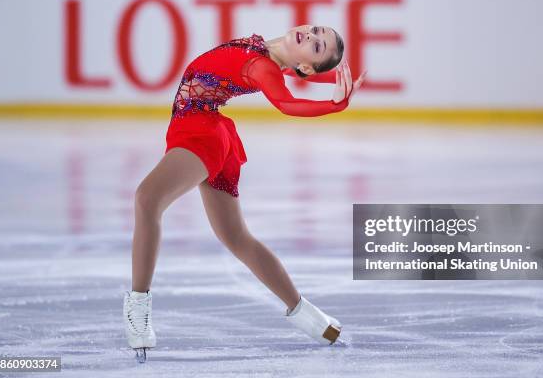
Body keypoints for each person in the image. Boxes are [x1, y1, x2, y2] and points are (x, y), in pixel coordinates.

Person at [123, 25, 366, 361]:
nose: (310, 37)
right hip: (209, 129)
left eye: (317, 46)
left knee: (147, 200)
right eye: (315, 32)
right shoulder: (268, 55)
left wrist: (332, 106)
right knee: (237, 237)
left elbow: (285, 102)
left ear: (306, 67)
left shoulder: (262, 67)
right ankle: (309, 316)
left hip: (200, 132)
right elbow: (292, 74)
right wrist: (326, 78)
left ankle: (138, 307)